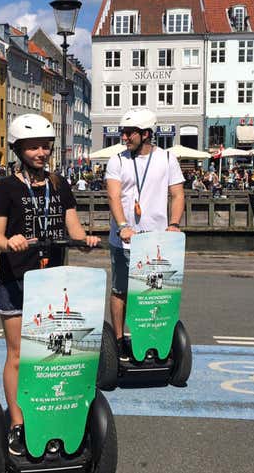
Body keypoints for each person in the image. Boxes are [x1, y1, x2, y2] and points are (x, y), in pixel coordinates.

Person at [0, 113, 100, 456]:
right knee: (20, 355)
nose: (41, 152)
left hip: (54, 283)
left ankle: (55, 413)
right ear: (18, 149)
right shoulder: (7, 187)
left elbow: (72, 226)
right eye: (33, 146)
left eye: (45, 146)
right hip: (17, 281)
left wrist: (85, 239)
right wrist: (11, 243)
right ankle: (18, 424)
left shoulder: (59, 183)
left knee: (54, 355)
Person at [105, 108, 184, 362]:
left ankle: (154, 338)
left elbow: (178, 194)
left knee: (154, 292)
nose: (124, 137)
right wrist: (122, 225)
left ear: (146, 134)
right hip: (124, 240)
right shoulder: (117, 160)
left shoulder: (167, 159)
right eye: (123, 132)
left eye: (129, 133)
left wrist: (174, 223)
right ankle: (118, 341)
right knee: (121, 290)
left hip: (157, 241)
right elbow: (114, 195)